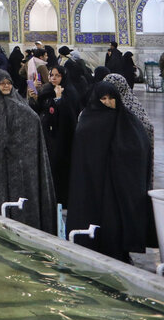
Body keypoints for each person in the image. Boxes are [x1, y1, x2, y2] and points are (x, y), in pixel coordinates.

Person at [66, 81, 153, 262]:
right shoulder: (88, 120)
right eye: (103, 98)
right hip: (93, 183)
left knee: (114, 224)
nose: (107, 102)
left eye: (111, 98)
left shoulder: (126, 120)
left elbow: (139, 147)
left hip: (116, 183)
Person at [0, 69, 58, 234]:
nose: (6, 86)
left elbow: (32, 122)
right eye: (1, 83)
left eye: (8, 83)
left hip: (18, 167)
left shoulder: (17, 105)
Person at [39, 65, 80, 205]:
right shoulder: (48, 90)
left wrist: (59, 99)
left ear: (63, 77)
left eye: (57, 75)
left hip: (64, 138)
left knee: (61, 170)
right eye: (51, 75)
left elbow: (68, 116)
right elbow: (41, 109)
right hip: (50, 137)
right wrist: (34, 97)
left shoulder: (69, 91)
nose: (53, 78)